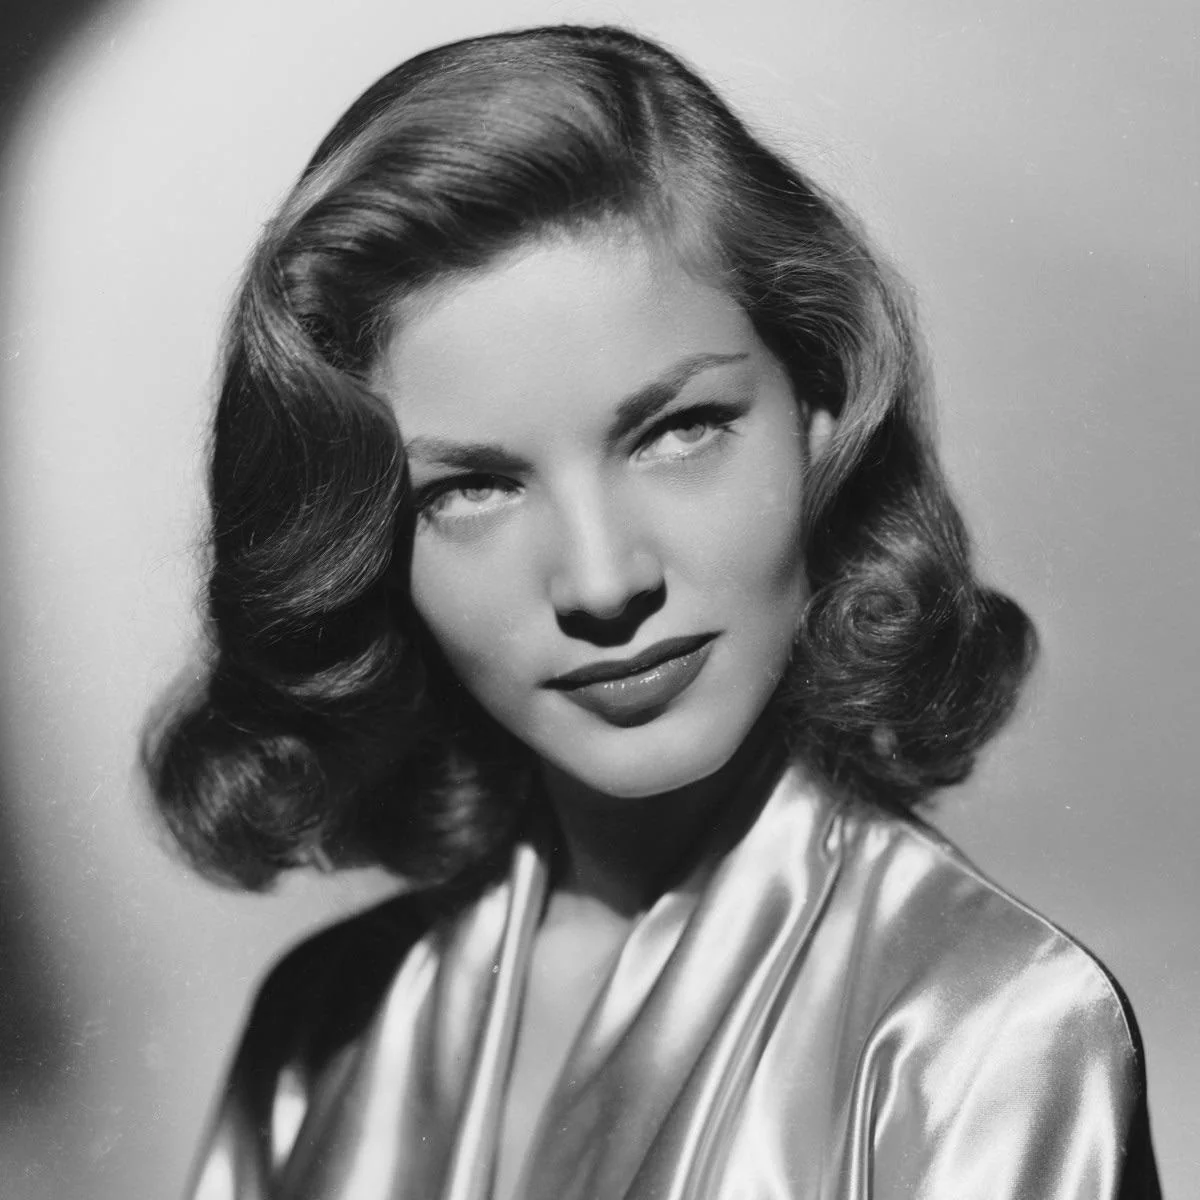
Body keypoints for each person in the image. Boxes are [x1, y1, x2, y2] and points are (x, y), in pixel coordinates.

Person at [144, 23, 1161, 1200]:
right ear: (370, 548)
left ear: (819, 415)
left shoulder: (988, 1037)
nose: (600, 582)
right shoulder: (322, 1030)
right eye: (471, 488)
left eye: (678, 432)